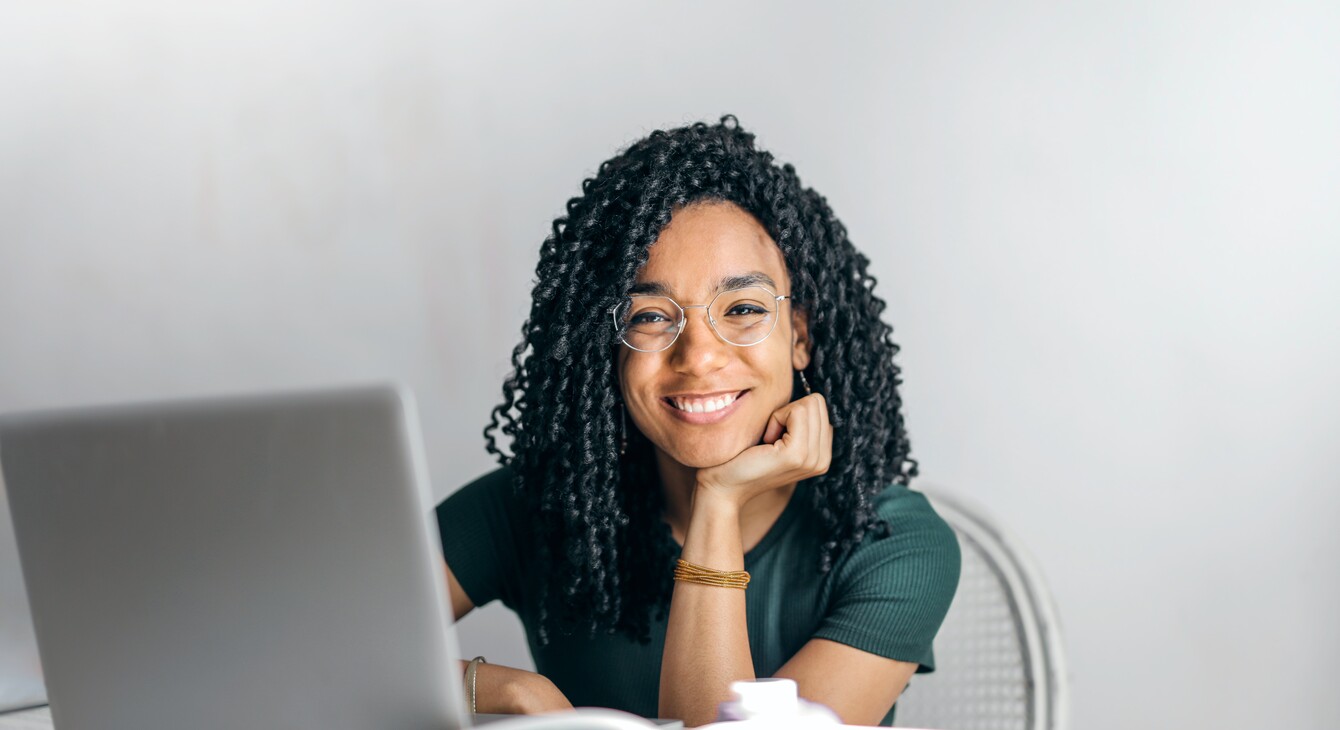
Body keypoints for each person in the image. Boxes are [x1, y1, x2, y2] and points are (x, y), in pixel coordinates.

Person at [435, 115, 961, 727]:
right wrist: (498, 691)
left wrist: (719, 501)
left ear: (800, 336)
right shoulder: (538, 506)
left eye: (741, 308)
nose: (700, 356)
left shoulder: (891, 544)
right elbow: (312, 641)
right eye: (650, 317)